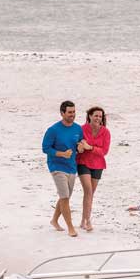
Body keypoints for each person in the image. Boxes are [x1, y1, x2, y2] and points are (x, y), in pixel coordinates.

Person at [42, 100, 84, 237]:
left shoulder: (78, 129)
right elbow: (45, 148)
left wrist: (81, 146)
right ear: (62, 113)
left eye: (74, 112)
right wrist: (62, 154)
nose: (72, 115)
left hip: (71, 167)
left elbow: (80, 143)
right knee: (65, 197)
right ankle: (70, 227)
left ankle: (54, 220)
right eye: (70, 112)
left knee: (65, 197)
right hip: (56, 166)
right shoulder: (53, 130)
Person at [76, 106, 111, 232]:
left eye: (100, 116)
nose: (98, 118)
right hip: (83, 162)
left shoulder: (106, 132)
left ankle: (83, 220)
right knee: (88, 191)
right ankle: (87, 221)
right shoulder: (81, 129)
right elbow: (77, 144)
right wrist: (80, 146)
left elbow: (105, 151)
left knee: (90, 194)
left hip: (98, 164)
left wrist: (90, 147)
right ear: (90, 116)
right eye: (95, 115)